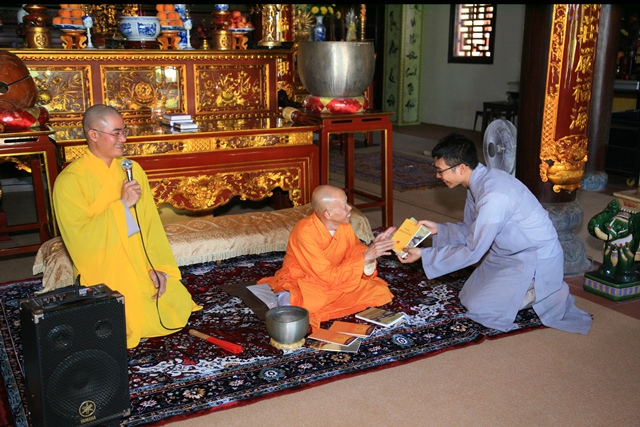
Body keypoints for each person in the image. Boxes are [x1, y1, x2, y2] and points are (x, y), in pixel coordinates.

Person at [399, 133, 592, 334]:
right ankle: (525, 290)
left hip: (533, 258)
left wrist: (423, 254)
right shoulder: (479, 181)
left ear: (461, 168)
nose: (438, 176)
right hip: (506, 253)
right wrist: (439, 229)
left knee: (481, 309)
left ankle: (545, 291)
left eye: (440, 171)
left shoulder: (493, 196)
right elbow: (471, 230)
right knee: (467, 296)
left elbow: (473, 249)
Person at [53, 104, 201, 348]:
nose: (123, 139)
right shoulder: (69, 181)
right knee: (122, 321)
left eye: (124, 131)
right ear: (93, 135)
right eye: (116, 133)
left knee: (173, 303)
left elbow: (149, 226)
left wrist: (156, 267)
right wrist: (122, 205)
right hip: (104, 267)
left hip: (137, 260)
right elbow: (80, 238)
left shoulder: (132, 170)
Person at [258, 185, 396, 330]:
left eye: (347, 203)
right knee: (310, 304)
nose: (350, 208)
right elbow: (326, 276)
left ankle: (295, 304)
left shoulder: (343, 225)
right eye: (344, 206)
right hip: (307, 280)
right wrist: (364, 257)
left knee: (380, 291)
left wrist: (370, 251)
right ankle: (287, 298)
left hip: (336, 277)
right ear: (328, 214)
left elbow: (354, 249)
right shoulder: (305, 232)